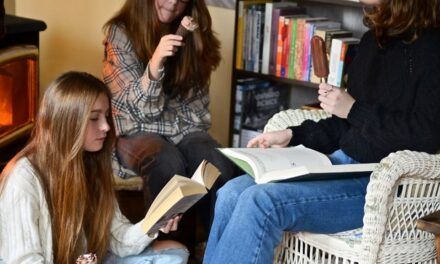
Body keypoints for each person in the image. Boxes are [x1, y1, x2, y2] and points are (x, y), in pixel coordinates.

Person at [203, 0, 440, 263]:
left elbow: (427, 134)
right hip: (339, 165)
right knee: (230, 193)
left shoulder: (433, 48)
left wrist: (353, 109)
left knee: (261, 202)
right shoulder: (374, 40)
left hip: (382, 186)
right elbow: (344, 123)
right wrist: (294, 135)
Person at [0, 72, 188, 263]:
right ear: (67, 121)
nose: (106, 126)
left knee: (175, 253)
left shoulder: (91, 164)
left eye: (106, 116)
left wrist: (154, 224)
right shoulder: (23, 177)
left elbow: (119, 239)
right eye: (94, 118)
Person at [102, 0, 238, 241]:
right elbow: (138, 113)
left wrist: (180, 137)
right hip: (131, 134)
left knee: (215, 160)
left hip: (183, 130)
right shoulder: (120, 33)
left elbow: (196, 113)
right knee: (167, 162)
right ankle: (170, 252)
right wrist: (155, 66)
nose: (174, 2)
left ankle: (221, 250)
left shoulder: (194, 34)